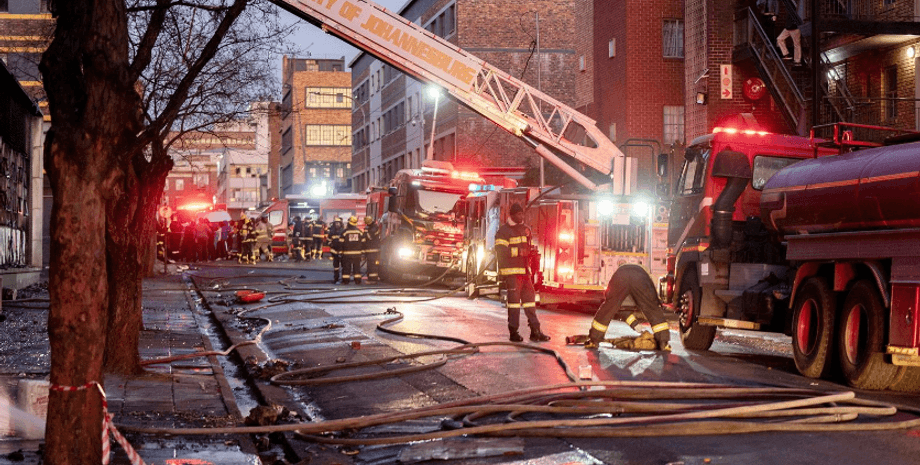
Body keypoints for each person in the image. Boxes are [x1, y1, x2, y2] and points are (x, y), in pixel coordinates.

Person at [494, 203, 550, 343]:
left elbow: (527, 247)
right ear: (512, 215)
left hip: (525, 273)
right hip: (512, 274)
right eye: (519, 214)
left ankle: (535, 331)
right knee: (513, 304)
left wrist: (532, 254)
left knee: (530, 302)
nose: (521, 216)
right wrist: (519, 252)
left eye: (522, 214)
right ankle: (514, 332)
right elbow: (500, 252)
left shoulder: (525, 229)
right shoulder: (503, 231)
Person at [584, 264, 671, 351]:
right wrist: (636, 325)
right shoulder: (640, 290)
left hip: (621, 275)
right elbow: (653, 302)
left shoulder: (622, 300)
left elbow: (622, 310)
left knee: (608, 308)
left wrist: (636, 325)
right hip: (639, 276)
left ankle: (593, 341)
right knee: (653, 309)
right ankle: (664, 343)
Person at [338, 216, 365, 284]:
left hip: (347, 254)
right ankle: (358, 281)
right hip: (357, 254)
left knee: (346, 268)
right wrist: (363, 253)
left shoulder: (345, 232)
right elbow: (364, 243)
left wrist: (340, 253)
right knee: (357, 268)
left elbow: (340, 243)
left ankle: (346, 281)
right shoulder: (360, 232)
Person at [363, 216, 381, 283]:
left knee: (372, 265)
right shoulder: (372, 227)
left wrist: (365, 232)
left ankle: (373, 279)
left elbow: (370, 237)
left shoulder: (374, 228)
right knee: (370, 265)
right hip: (371, 249)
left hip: (373, 249)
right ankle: (371, 278)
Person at [328, 216, 345, 283]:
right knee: (336, 267)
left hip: (342, 252)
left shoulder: (343, 231)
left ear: (341, 224)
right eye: (336, 223)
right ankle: (336, 278)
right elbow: (328, 240)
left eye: (338, 223)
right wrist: (330, 244)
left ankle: (344, 279)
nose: (337, 224)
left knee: (344, 266)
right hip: (334, 252)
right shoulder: (332, 232)